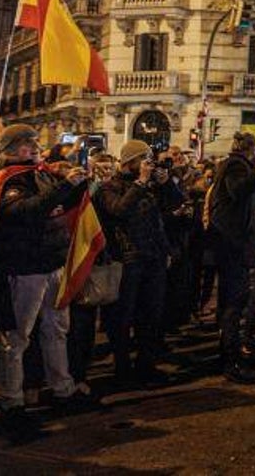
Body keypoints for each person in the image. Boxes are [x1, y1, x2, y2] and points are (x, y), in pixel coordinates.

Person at [0, 124, 94, 438]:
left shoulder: (43, 173)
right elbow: (24, 211)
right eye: (25, 143)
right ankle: (11, 401)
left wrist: (80, 185)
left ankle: (62, 388)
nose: (34, 147)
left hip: (51, 264)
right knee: (16, 338)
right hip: (25, 268)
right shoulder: (8, 179)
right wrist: (64, 188)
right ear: (9, 149)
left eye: (35, 142)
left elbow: (62, 205)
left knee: (56, 329)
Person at [98, 140, 177, 388]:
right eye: (143, 159)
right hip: (127, 259)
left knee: (151, 315)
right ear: (130, 162)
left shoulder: (151, 186)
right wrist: (141, 183)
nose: (148, 164)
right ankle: (122, 367)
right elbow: (118, 210)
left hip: (153, 257)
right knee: (123, 316)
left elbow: (175, 203)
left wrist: (165, 184)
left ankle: (147, 364)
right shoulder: (111, 187)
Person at [205, 132, 255, 384]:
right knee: (233, 303)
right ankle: (230, 360)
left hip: (234, 246)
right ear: (251, 150)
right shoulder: (234, 165)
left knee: (231, 302)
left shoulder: (235, 165)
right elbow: (238, 191)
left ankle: (228, 353)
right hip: (233, 247)